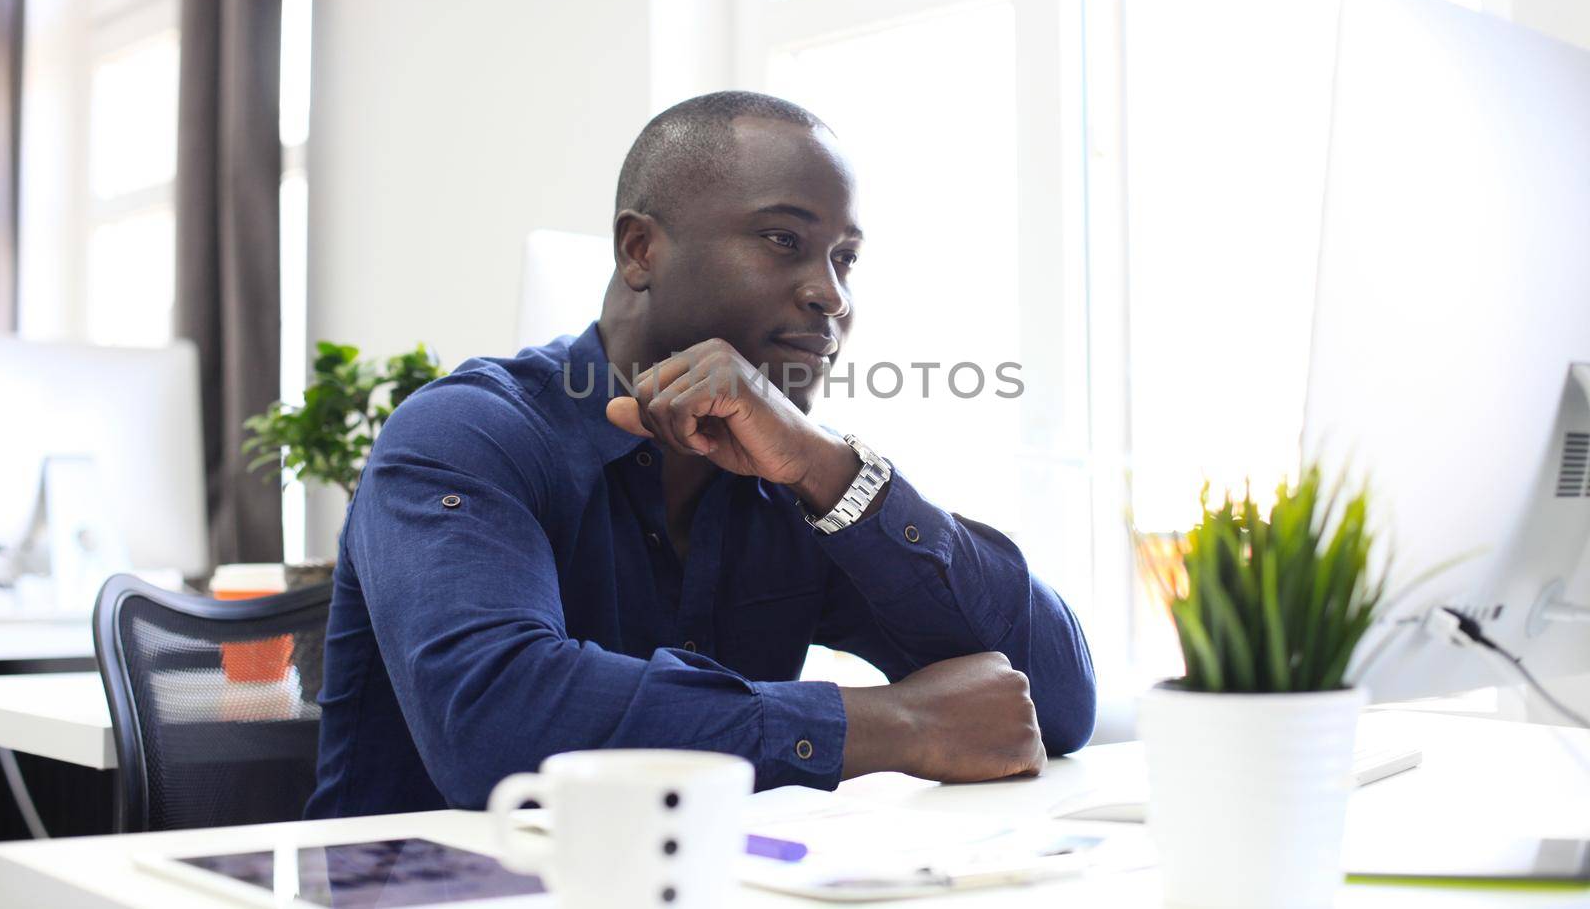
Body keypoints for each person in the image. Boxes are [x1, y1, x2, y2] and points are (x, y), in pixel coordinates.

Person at [305, 92, 1096, 818]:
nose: (832, 294)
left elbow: (1053, 698)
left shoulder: (789, 479)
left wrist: (831, 472)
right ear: (641, 249)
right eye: (784, 240)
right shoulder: (465, 436)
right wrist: (896, 724)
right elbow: (496, 722)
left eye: (844, 257)